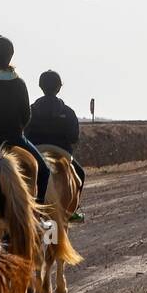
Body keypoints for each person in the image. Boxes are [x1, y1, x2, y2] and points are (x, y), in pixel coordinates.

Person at [0, 36, 50, 204]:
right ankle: (38, 209)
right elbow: (26, 115)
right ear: (11, 54)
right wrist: (17, 129)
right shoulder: (19, 83)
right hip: (15, 137)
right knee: (44, 170)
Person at [29, 69, 86, 218]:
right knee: (80, 174)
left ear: (40, 86)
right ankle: (72, 210)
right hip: (62, 153)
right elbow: (74, 138)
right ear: (59, 87)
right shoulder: (68, 112)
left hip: (36, 152)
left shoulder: (32, 110)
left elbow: (25, 133)